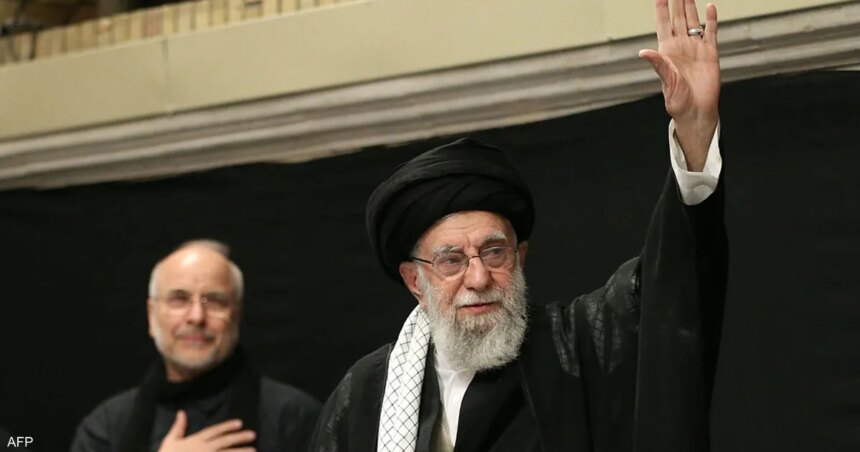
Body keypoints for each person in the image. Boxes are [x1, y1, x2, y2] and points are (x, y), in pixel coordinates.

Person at [311, 0, 726, 451]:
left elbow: (671, 287)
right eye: (451, 261)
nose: (478, 278)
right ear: (415, 281)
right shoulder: (366, 397)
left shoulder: (576, 348)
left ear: (520, 257)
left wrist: (694, 130)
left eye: (494, 252)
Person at [72, 240, 320, 452]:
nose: (197, 316)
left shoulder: (294, 417)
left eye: (214, 301)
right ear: (151, 315)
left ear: (237, 315)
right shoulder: (106, 428)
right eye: (179, 299)